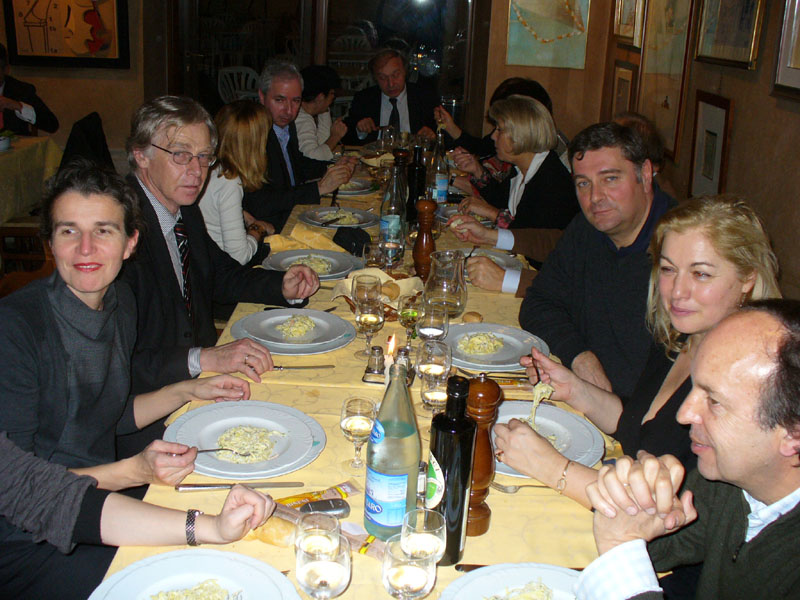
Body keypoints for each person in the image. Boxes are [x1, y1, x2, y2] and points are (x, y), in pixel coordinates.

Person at [0, 161, 254, 598]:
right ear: (50, 241)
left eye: (103, 230)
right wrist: (134, 472)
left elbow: (105, 414)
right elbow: (23, 491)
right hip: (33, 540)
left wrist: (186, 389)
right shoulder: (16, 330)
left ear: (130, 242)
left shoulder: (119, 302)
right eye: (68, 231)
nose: (85, 249)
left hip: (103, 500)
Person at [495, 196, 781, 508]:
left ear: (748, 278)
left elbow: (683, 511)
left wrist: (554, 469)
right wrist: (577, 390)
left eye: (700, 274)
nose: (677, 291)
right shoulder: (678, 338)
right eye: (668, 269)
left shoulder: (750, 378)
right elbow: (643, 429)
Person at [576, 301, 800, 600]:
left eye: (714, 402)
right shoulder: (729, 484)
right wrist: (642, 509)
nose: (683, 414)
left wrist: (621, 545)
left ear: (793, 434)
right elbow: (665, 549)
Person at [120, 96, 319, 398]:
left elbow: (220, 275)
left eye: (204, 156)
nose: (197, 171)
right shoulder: (117, 231)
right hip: (150, 401)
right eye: (180, 155)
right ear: (141, 155)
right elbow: (119, 362)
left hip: (201, 378)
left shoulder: (183, 208)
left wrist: (282, 286)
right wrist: (203, 358)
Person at [0, 431, 275, 592]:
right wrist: (209, 528)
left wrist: (213, 528)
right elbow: (46, 499)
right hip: (22, 553)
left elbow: (42, 491)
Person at [518, 122, 675, 399]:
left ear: (645, 174)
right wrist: (579, 356)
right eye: (583, 183)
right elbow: (538, 302)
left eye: (610, 179)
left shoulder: (682, 251)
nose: (595, 197)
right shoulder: (586, 230)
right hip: (587, 397)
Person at [446, 95, 578, 294]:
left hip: (542, 282)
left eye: (499, 130)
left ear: (520, 134)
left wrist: (492, 217)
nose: (493, 136)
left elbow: (533, 238)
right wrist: (477, 170)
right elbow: (501, 198)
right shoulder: (524, 169)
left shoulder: (552, 181)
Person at [243, 60, 354, 231]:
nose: (288, 110)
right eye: (279, 100)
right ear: (262, 97)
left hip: (293, 214)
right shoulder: (251, 134)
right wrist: (318, 188)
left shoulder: (286, 126)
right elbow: (259, 203)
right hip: (270, 227)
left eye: (296, 101)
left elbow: (296, 165)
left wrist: (332, 167)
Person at [198, 100, 274, 266]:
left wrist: (243, 214)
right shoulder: (229, 181)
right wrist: (258, 229)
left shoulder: (210, 168)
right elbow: (239, 256)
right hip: (221, 268)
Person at [342, 48, 439, 145]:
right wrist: (360, 130)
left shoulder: (424, 97)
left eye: (395, 75)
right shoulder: (364, 99)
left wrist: (432, 136)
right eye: (383, 78)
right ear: (375, 78)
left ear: (405, 72)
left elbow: (441, 133)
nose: (391, 84)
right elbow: (346, 138)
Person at [0, 42, 58, 135]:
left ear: (6, 69)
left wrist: (18, 106)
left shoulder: (20, 89)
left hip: (14, 143)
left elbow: (51, 124)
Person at [296, 65, 347, 161]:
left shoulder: (303, 113)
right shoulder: (302, 119)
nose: (333, 98)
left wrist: (324, 108)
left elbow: (321, 143)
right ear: (320, 96)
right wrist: (335, 137)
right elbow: (312, 158)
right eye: (332, 94)